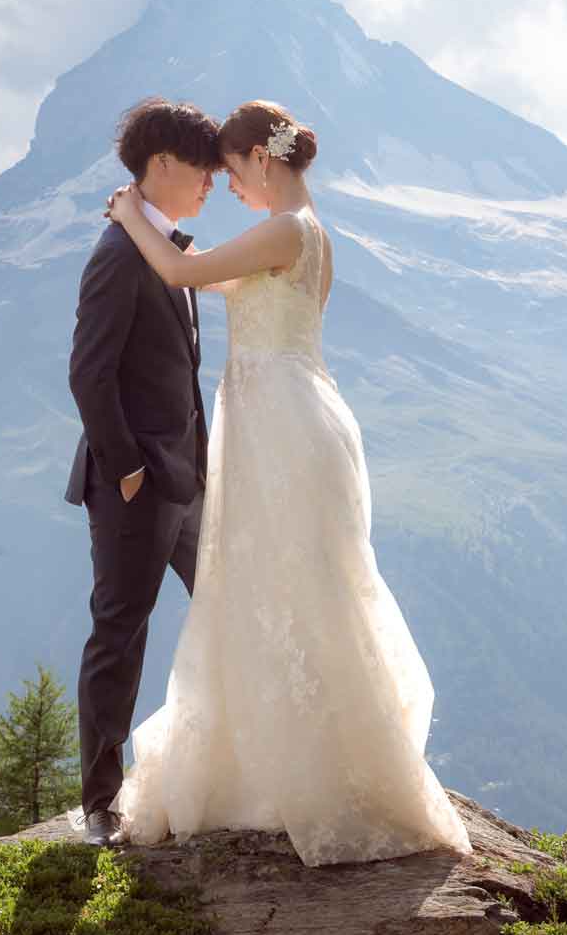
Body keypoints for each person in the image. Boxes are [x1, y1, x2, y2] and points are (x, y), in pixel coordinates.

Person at [104, 99, 472, 866]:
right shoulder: (310, 234)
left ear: (262, 162)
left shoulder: (280, 230)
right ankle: (296, 753)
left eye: (233, 173)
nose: (230, 187)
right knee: (294, 583)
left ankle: (302, 765)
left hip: (284, 431)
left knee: (291, 584)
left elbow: (177, 271)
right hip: (296, 419)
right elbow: (212, 280)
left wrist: (127, 213)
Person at [65, 97, 222, 849]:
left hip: (189, 482)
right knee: (120, 632)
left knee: (232, 605)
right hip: (134, 486)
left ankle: (234, 766)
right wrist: (126, 469)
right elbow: (89, 375)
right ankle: (100, 801)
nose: (211, 186)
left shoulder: (169, 252)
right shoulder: (117, 256)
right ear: (160, 166)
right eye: (201, 170)